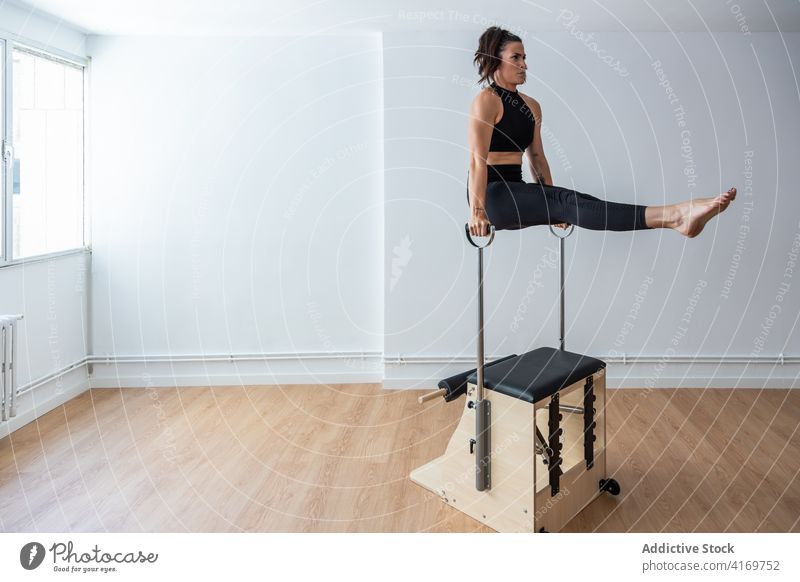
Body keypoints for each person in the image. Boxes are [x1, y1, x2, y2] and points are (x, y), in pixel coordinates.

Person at [467, 26, 736, 238]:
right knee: (568, 201)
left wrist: (554, 206)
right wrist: (477, 211)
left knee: (579, 202)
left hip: (519, 191)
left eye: (524, 57)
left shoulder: (532, 106)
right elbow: (476, 162)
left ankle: (674, 219)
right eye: (516, 57)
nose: (524, 64)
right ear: (496, 61)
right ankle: (675, 215)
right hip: (492, 196)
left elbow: (537, 158)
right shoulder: (487, 100)